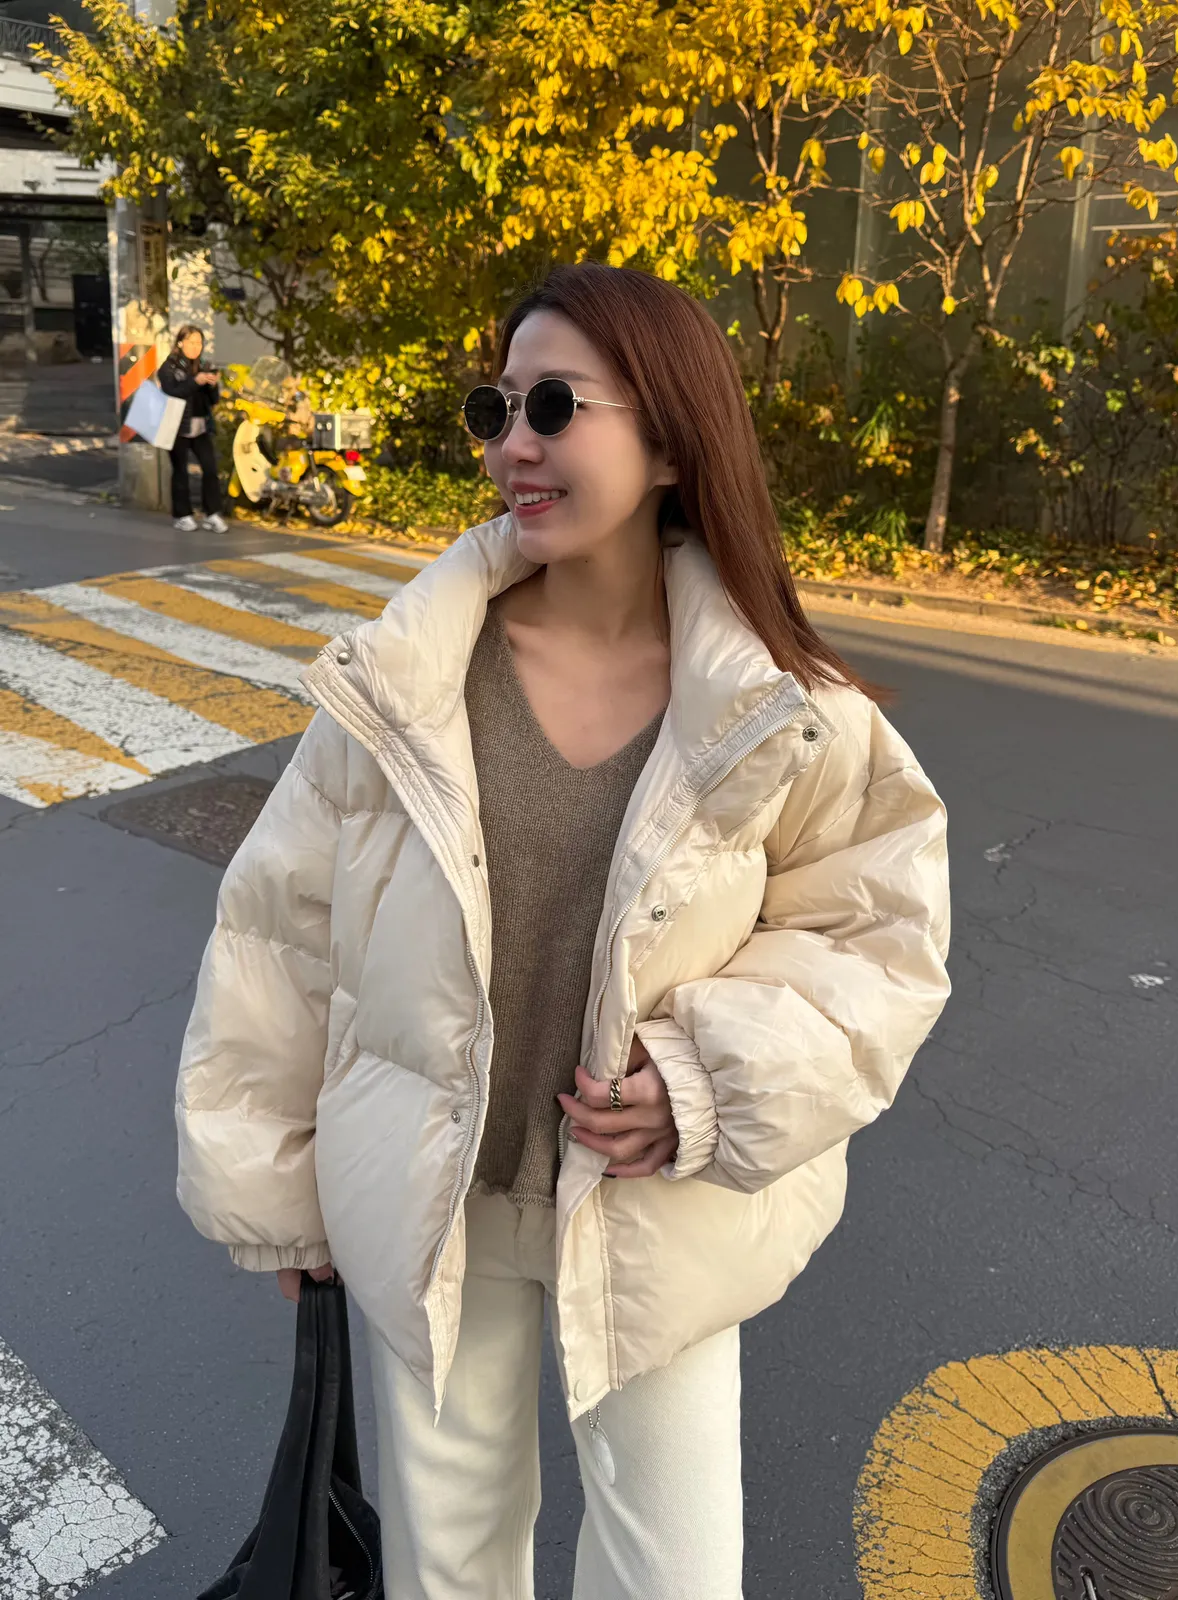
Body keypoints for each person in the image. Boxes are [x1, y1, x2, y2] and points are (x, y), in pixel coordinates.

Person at [175, 263, 951, 1599]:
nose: (511, 446)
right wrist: (279, 1188)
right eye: (495, 410)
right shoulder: (408, 676)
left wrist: (709, 1081)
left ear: (671, 442)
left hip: (658, 1210)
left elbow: (877, 935)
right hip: (435, 1197)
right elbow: (282, 932)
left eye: (553, 407)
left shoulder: (777, 703)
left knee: (675, 1573)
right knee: (447, 1563)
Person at [157, 324, 227, 533]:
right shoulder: (169, 367)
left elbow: (213, 401)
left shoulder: (205, 365)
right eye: (192, 342)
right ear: (180, 343)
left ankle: (212, 514)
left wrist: (212, 386)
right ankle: (182, 515)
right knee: (180, 471)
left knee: (210, 468)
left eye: (199, 343)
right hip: (177, 425)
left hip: (200, 426)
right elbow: (173, 391)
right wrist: (195, 381)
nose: (196, 347)